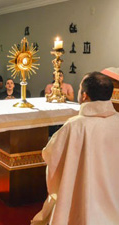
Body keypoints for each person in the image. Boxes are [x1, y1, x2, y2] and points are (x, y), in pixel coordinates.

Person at [31, 72, 119, 225]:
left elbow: (52, 156)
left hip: (84, 198)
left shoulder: (75, 126)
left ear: (84, 95)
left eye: (79, 89)